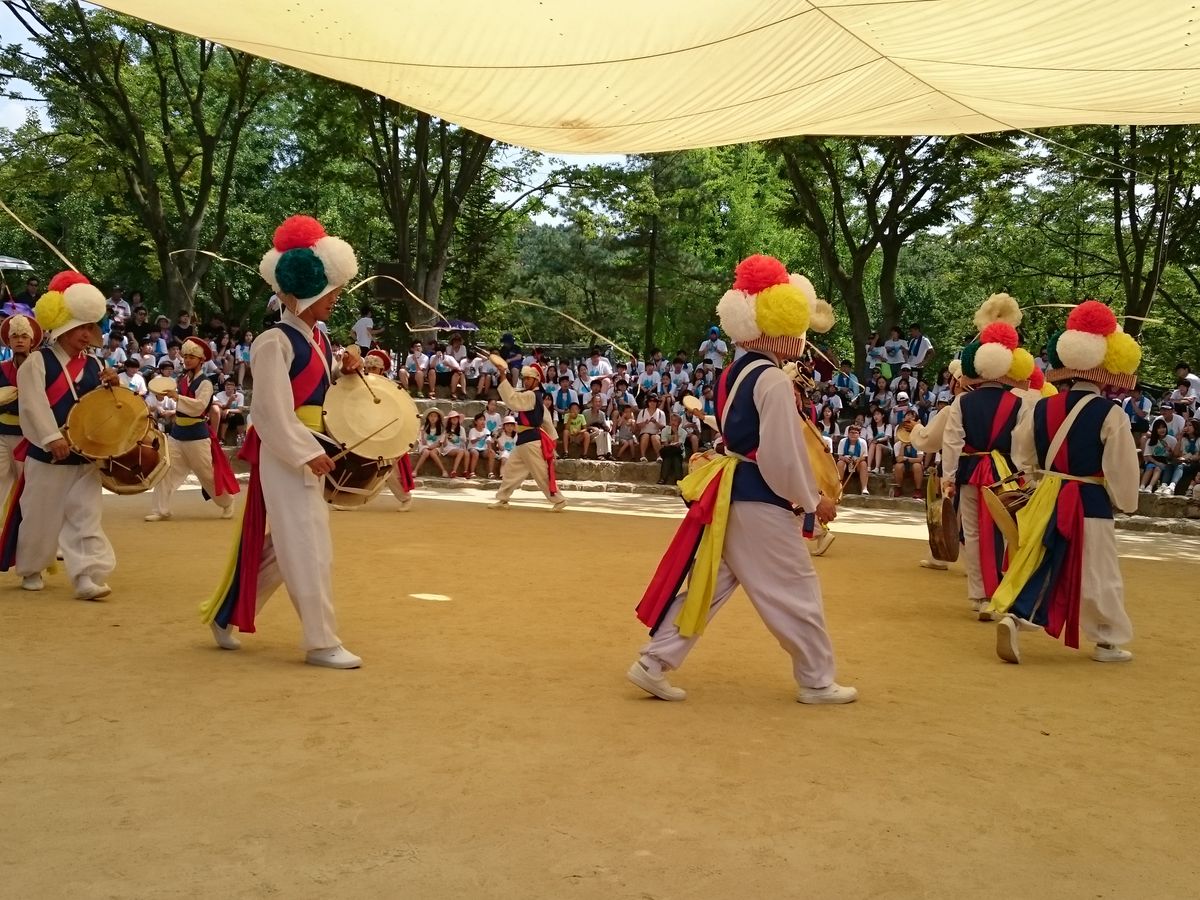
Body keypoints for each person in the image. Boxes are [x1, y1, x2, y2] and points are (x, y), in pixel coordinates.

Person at [630, 256, 853, 704]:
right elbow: (781, 457)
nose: (802, 339)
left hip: (731, 491)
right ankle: (816, 680)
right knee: (797, 589)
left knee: (711, 584)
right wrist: (813, 500)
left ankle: (653, 662)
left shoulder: (736, 372)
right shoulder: (772, 380)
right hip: (759, 498)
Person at [201, 215, 362, 669]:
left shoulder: (318, 338)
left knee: (292, 543)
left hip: (310, 446)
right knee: (308, 546)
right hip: (289, 450)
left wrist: (345, 370)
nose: (336, 298)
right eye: (330, 291)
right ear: (307, 291)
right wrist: (306, 452)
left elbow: (317, 387)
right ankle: (321, 642)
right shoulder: (274, 340)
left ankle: (228, 613)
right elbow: (270, 411)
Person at [991, 300, 1142, 664]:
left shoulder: (1042, 406)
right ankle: (1107, 641)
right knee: (1100, 571)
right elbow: (1121, 466)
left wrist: (1040, 477)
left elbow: (1022, 452)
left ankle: (1017, 615)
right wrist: (1125, 501)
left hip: (1048, 495)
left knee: (1045, 559)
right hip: (1089, 499)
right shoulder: (1111, 413)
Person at [0, 272, 118, 599]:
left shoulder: (95, 365)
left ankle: (87, 576)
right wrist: (51, 437)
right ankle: (31, 567)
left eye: (90, 328)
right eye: (81, 328)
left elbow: (104, 409)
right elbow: (33, 404)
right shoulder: (38, 361)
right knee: (40, 516)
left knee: (87, 516)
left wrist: (114, 387)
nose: (87, 334)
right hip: (47, 455)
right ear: (65, 327)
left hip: (86, 454)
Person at [940, 295, 1036, 620]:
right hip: (1006, 474)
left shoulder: (961, 402)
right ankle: (1002, 591)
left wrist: (948, 477)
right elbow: (1023, 445)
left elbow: (952, 443)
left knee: (972, 532)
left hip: (970, 471)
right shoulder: (1020, 403)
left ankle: (979, 595)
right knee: (1005, 531)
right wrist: (1026, 476)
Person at [146, 337, 240, 521]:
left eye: (192, 357)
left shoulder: (205, 383)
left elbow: (199, 406)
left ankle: (227, 502)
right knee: (166, 470)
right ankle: (160, 510)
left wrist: (177, 398)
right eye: (186, 356)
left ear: (201, 360)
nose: (187, 360)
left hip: (197, 435)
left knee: (207, 475)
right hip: (177, 434)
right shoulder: (183, 380)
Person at [490, 361, 565, 511]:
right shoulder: (535, 397)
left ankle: (559, 500)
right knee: (511, 470)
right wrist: (552, 441)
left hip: (531, 442)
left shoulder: (531, 395)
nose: (525, 381)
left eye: (529, 379)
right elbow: (547, 421)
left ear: (536, 380)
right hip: (523, 440)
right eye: (524, 379)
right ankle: (503, 499)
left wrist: (503, 375)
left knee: (541, 474)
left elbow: (512, 400)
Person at [0, 314, 42, 505]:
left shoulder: (39, 369)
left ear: (31, 341)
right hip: (1, 433)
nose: (19, 340)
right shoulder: (1, 368)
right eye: (15, 336)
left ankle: (22, 521)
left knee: (26, 482)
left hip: (28, 435)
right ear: (8, 341)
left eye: (24, 336)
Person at [1138, 420, 1176, 494]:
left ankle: (1150, 487)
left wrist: (1169, 451)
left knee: (1157, 469)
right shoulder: (1150, 440)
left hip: (1164, 461)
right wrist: (1156, 462)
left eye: (1163, 427)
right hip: (1153, 460)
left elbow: (1174, 456)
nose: (1162, 430)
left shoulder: (1172, 439)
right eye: (1159, 428)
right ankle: (1142, 486)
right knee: (1150, 468)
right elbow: (1148, 455)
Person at [835, 424, 870, 495]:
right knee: (840, 463)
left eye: (856, 433)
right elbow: (840, 456)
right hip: (846, 463)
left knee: (863, 464)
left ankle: (864, 488)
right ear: (848, 433)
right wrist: (845, 458)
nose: (853, 434)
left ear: (859, 434)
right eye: (851, 432)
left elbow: (864, 457)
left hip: (857, 464)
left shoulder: (862, 442)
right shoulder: (843, 441)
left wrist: (857, 459)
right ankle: (838, 487)